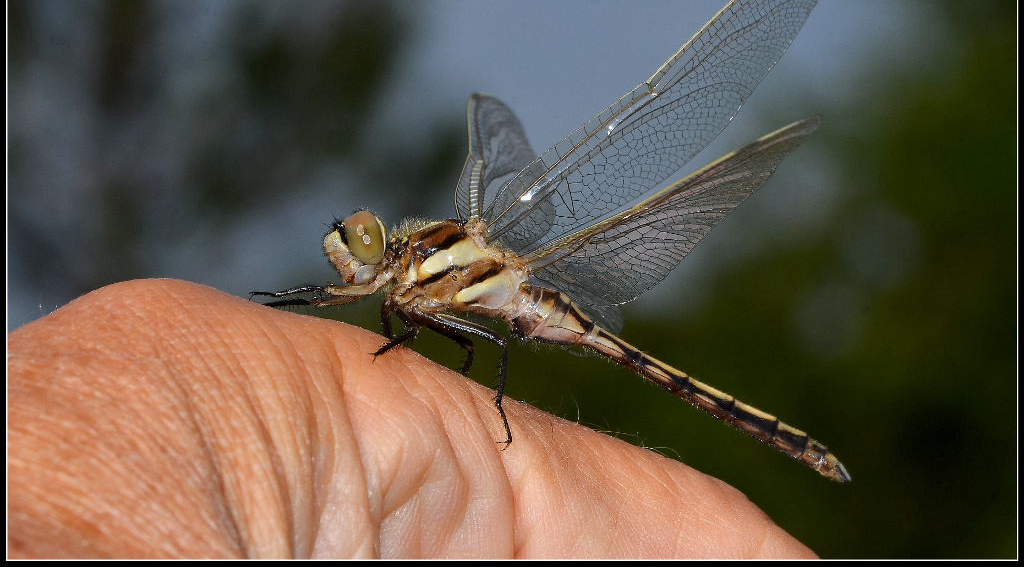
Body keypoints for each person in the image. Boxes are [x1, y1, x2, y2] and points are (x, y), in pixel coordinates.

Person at [8, 279, 816, 558]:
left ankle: (793, 442)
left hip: (521, 311)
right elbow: (399, 319)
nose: (352, 260)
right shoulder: (405, 285)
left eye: (362, 246)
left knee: (487, 367)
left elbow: (481, 353)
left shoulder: (440, 282)